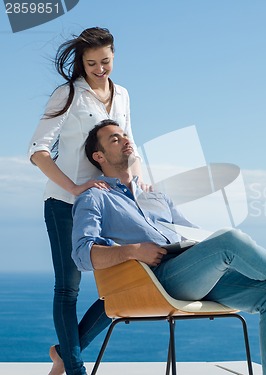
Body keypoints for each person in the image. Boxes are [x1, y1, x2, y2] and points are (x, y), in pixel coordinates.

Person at [72, 120, 266, 375]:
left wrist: (205, 244)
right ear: (99, 156)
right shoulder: (96, 198)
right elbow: (82, 255)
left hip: (195, 272)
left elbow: (191, 233)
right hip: (156, 280)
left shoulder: (155, 195)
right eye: (114, 139)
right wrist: (134, 250)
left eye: (124, 135)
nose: (125, 140)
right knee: (229, 240)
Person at [28, 27, 146, 375]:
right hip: (65, 203)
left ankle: (64, 356)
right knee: (68, 288)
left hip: (108, 204)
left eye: (105, 61)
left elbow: (130, 145)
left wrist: (136, 183)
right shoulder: (67, 94)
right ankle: (75, 368)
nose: (99, 69)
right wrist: (75, 187)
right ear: (81, 61)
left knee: (122, 284)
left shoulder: (122, 94)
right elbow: (38, 151)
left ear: (114, 56)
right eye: (91, 63)